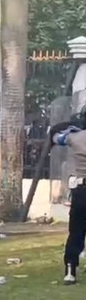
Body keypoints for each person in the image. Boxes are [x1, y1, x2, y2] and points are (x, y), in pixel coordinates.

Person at [50, 112, 86, 284]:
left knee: (76, 231)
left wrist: (69, 128)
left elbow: (56, 137)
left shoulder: (75, 138)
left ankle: (70, 270)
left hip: (82, 190)